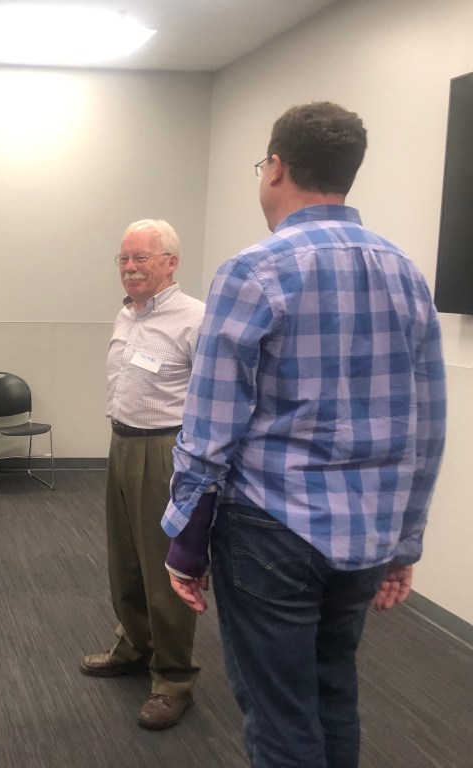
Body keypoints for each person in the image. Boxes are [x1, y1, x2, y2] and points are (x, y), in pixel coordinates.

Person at [163, 103, 447, 768]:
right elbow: (427, 426)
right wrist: (406, 542)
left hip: (271, 528)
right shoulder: (406, 272)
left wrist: (186, 541)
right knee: (333, 693)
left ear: (276, 168)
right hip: (369, 535)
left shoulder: (253, 270)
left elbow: (210, 428)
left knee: (279, 716)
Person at [80, 219, 204, 731]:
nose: (130, 268)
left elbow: (211, 399)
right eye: (124, 259)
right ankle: (134, 646)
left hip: (165, 452)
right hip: (122, 443)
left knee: (164, 569)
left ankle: (173, 679)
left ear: (170, 263)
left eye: (142, 258)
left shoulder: (195, 318)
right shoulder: (127, 313)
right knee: (125, 560)